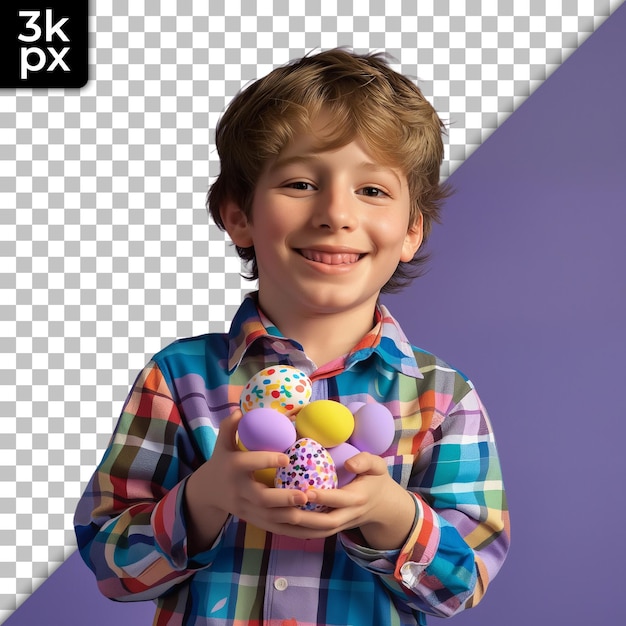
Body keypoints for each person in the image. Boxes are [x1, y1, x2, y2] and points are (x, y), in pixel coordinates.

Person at [74, 48, 510, 626]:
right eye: (301, 182)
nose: (335, 213)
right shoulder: (179, 379)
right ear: (238, 216)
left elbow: (463, 585)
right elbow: (113, 568)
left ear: (410, 232)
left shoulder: (442, 398)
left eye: (372, 191)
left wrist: (390, 512)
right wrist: (207, 498)